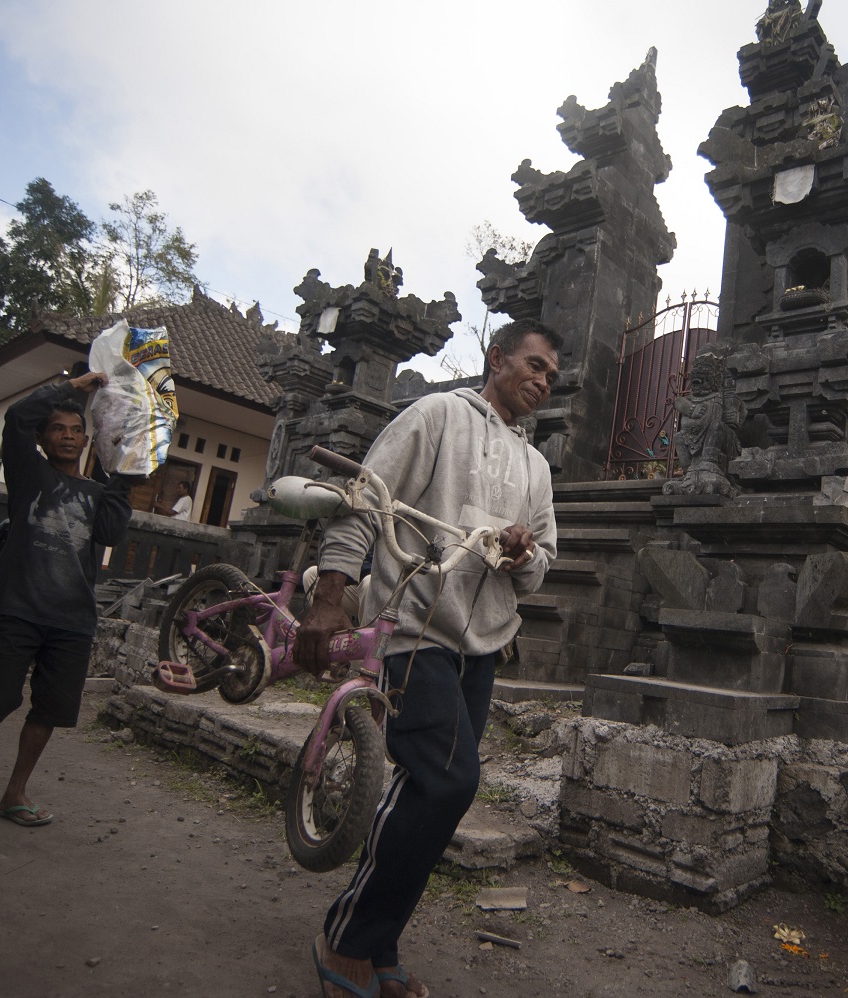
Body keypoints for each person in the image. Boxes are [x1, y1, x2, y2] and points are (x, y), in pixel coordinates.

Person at [296, 318, 561, 998]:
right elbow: (365, 498)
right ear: (496, 358)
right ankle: (348, 940)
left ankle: (378, 945)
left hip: (483, 644)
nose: (541, 381)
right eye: (532, 365)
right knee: (446, 781)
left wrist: (525, 554)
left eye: (552, 376)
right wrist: (332, 593)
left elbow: (544, 564)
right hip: (414, 629)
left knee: (436, 788)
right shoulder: (437, 415)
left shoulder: (536, 466)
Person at [0, 372, 134, 826]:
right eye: (58, 429)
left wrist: (124, 476)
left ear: (86, 440)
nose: (67, 435)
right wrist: (71, 390)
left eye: (76, 430)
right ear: (42, 439)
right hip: (20, 607)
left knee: (50, 708)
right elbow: (18, 418)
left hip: (72, 619)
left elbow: (110, 533)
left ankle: (14, 792)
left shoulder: (98, 493)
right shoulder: (28, 475)